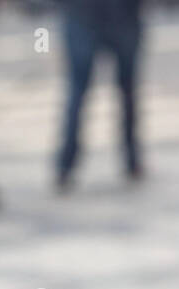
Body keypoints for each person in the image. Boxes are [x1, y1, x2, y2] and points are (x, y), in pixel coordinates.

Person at [56, 0, 144, 191]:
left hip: (86, 13)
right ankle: (131, 161)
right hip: (116, 14)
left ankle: (65, 166)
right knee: (124, 90)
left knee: (78, 91)